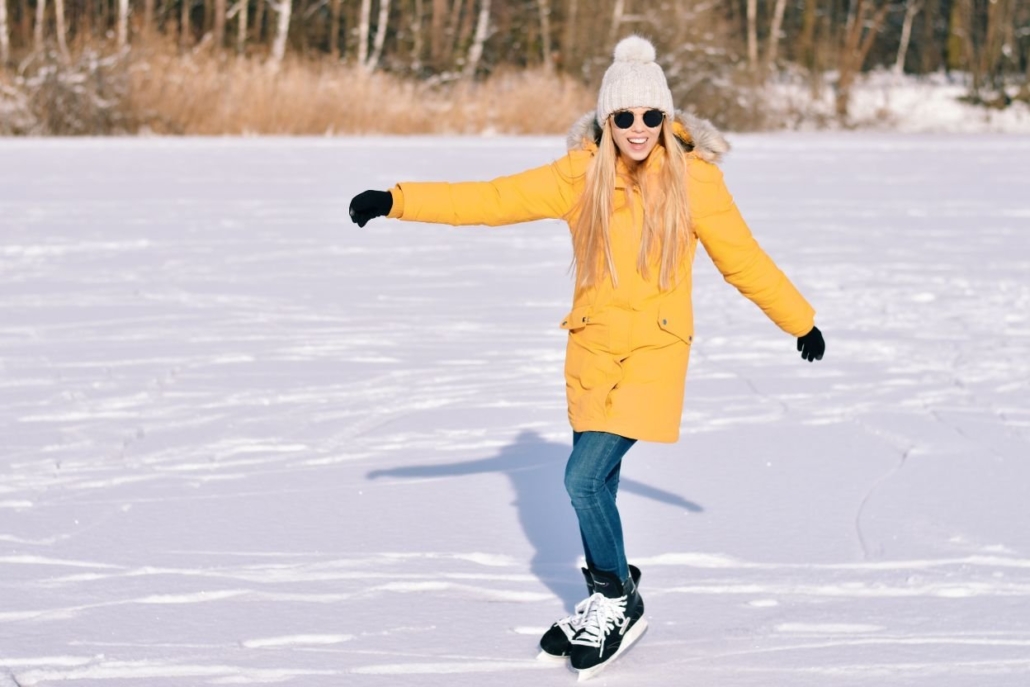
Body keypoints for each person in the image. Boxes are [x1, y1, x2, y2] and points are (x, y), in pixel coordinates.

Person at [348, 35, 825, 678]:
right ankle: (609, 595)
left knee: (579, 479)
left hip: (653, 354)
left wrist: (800, 322)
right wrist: (397, 200)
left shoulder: (696, 182)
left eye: (651, 117)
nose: (637, 130)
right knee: (599, 483)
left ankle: (616, 598)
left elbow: (744, 261)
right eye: (623, 117)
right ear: (607, 119)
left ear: (665, 117)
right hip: (593, 351)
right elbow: (490, 200)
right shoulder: (581, 176)